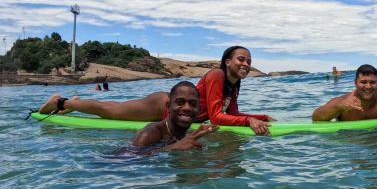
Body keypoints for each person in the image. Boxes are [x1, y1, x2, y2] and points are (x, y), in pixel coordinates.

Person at [38, 45, 274, 134]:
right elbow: (216, 117)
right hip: (163, 105)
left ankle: (71, 104)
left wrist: (261, 117)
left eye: (248, 61)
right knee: (110, 109)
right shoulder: (216, 75)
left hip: (178, 113)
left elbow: (232, 112)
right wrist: (248, 122)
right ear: (227, 62)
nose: (245, 64)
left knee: (111, 108)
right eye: (241, 59)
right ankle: (62, 102)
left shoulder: (233, 84)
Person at [132, 81, 218, 150]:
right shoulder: (148, 134)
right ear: (168, 106)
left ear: (199, 110)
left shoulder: (183, 134)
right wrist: (174, 147)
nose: (187, 108)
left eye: (193, 104)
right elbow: (125, 160)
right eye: (180, 102)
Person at [312, 64, 377, 125]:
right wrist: (339, 107)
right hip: (351, 145)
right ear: (355, 82)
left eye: (372, 82)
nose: (368, 86)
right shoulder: (342, 101)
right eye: (363, 82)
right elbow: (316, 118)